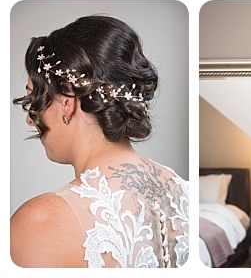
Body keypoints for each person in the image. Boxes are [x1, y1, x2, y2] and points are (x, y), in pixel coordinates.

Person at [10, 15, 189, 268]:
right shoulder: (186, 195)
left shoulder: (38, 223)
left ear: (66, 101)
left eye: (34, 100)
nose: (31, 120)